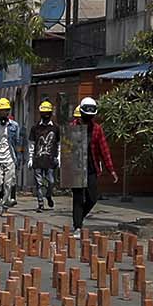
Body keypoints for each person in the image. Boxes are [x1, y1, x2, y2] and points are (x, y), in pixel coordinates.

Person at [60, 96, 116, 231]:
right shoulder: (72, 127)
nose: (88, 118)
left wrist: (111, 169)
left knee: (92, 197)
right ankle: (77, 226)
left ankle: (79, 217)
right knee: (78, 198)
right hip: (76, 168)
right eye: (86, 115)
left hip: (91, 167)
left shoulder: (97, 129)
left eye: (90, 116)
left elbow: (104, 150)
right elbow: (66, 151)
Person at [0, 96, 24, 212]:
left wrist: (19, 158)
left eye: (5, 110)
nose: (3, 113)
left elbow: (18, 143)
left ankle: (5, 205)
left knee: (8, 183)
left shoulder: (14, 126)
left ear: (8, 112)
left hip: (10, 158)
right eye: (1, 111)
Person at [29, 101, 59, 209]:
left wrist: (58, 157)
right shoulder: (35, 128)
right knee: (39, 183)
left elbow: (58, 143)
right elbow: (32, 144)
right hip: (38, 159)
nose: (46, 115)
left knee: (51, 181)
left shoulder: (55, 128)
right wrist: (30, 159)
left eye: (48, 113)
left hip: (50, 159)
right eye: (43, 113)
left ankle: (48, 195)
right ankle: (40, 203)